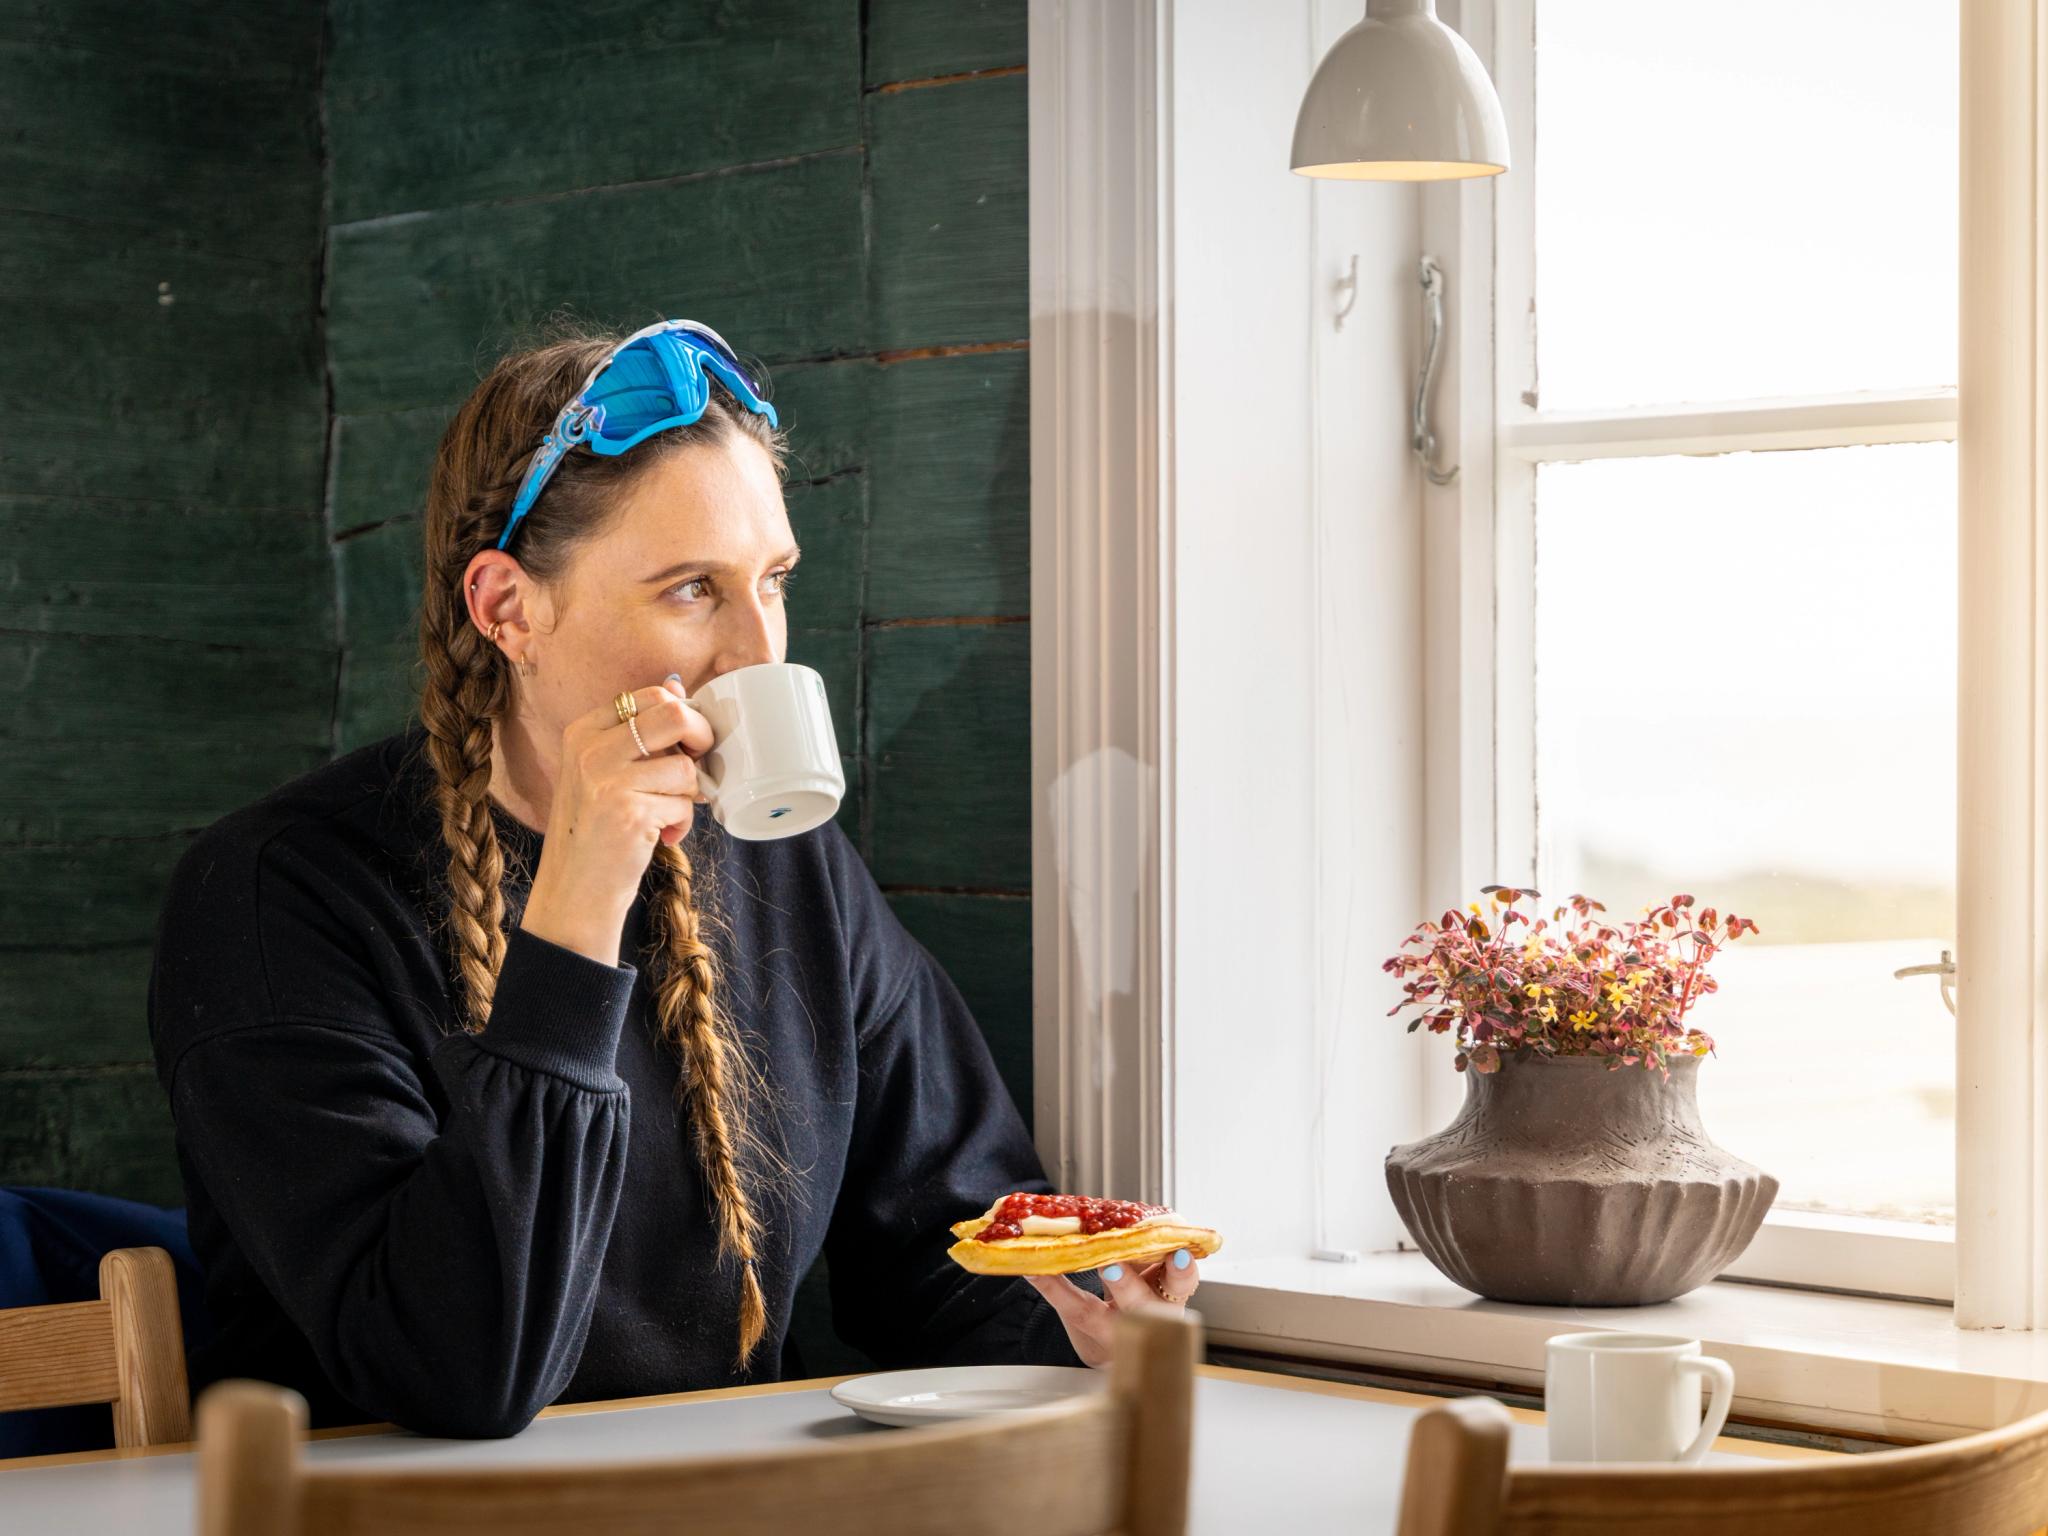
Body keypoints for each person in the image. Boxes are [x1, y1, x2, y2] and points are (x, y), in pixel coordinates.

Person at [146, 317, 1199, 1439]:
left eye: (773, 580)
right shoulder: (277, 893)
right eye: (692, 589)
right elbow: (457, 1374)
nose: (758, 651)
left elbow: (944, 1256)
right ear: (507, 608)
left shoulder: (786, 866)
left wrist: (1078, 1321)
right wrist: (576, 913)